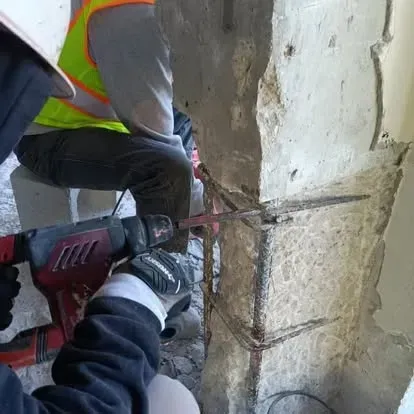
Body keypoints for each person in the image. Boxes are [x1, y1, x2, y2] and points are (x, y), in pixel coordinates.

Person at [0, 1, 200, 412]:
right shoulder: (129, 13)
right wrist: (133, 305)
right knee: (169, 168)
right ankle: (167, 297)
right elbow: (157, 136)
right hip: (47, 138)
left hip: (76, 127)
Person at [14, 0, 206, 254]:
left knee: (182, 117)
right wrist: (200, 202)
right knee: (167, 171)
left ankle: (183, 219)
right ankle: (162, 273)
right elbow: (153, 131)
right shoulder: (128, 11)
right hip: (43, 132)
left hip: (84, 116)